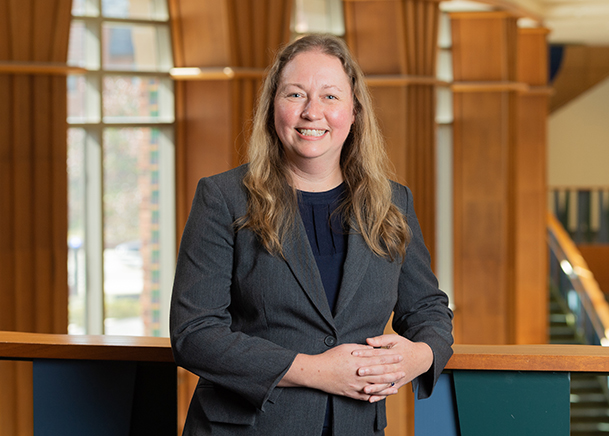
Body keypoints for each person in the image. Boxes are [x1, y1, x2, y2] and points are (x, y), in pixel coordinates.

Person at [170, 33, 453, 436]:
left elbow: (426, 308)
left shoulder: (392, 202)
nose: (312, 112)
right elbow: (193, 334)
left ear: (354, 111)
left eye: (330, 97)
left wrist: (420, 356)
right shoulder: (223, 198)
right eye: (295, 95)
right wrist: (318, 371)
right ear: (273, 107)